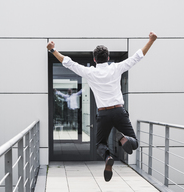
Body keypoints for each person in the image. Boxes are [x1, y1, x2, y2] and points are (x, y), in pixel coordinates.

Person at [47, 32, 157, 181]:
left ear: (94, 59)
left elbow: (68, 63)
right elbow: (137, 56)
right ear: (108, 58)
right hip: (119, 111)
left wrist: (53, 50)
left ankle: (107, 158)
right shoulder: (116, 68)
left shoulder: (90, 72)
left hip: (103, 114)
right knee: (134, 143)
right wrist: (151, 40)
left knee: (100, 144)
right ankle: (123, 139)